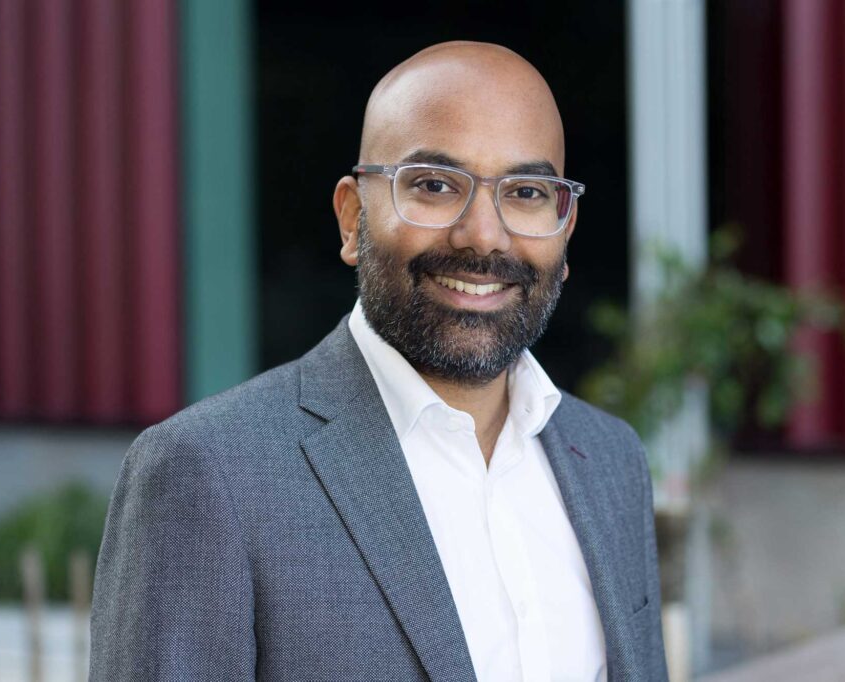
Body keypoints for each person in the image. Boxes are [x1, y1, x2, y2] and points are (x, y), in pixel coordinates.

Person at [90, 41, 667, 682]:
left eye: (526, 191)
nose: (483, 236)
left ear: (564, 227)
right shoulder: (209, 474)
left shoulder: (612, 461)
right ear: (352, 218)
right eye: (434, 185)